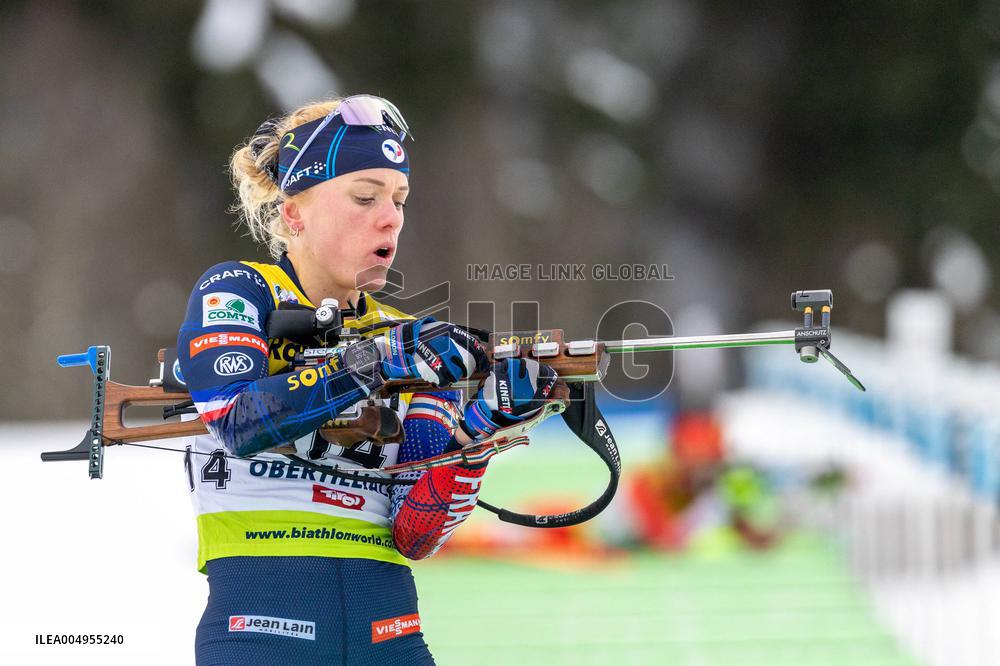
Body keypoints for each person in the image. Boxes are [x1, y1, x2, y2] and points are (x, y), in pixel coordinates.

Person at [177, 94, 558, 665]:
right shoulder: (240, 290)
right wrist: (379, 363)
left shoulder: (408, 337)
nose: (391, 217)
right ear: (293, 213)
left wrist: (478, 432)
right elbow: (238, 418)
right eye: (364, 197)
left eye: (399, 199)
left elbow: (416, 535)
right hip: (260, 631)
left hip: (392, 636)